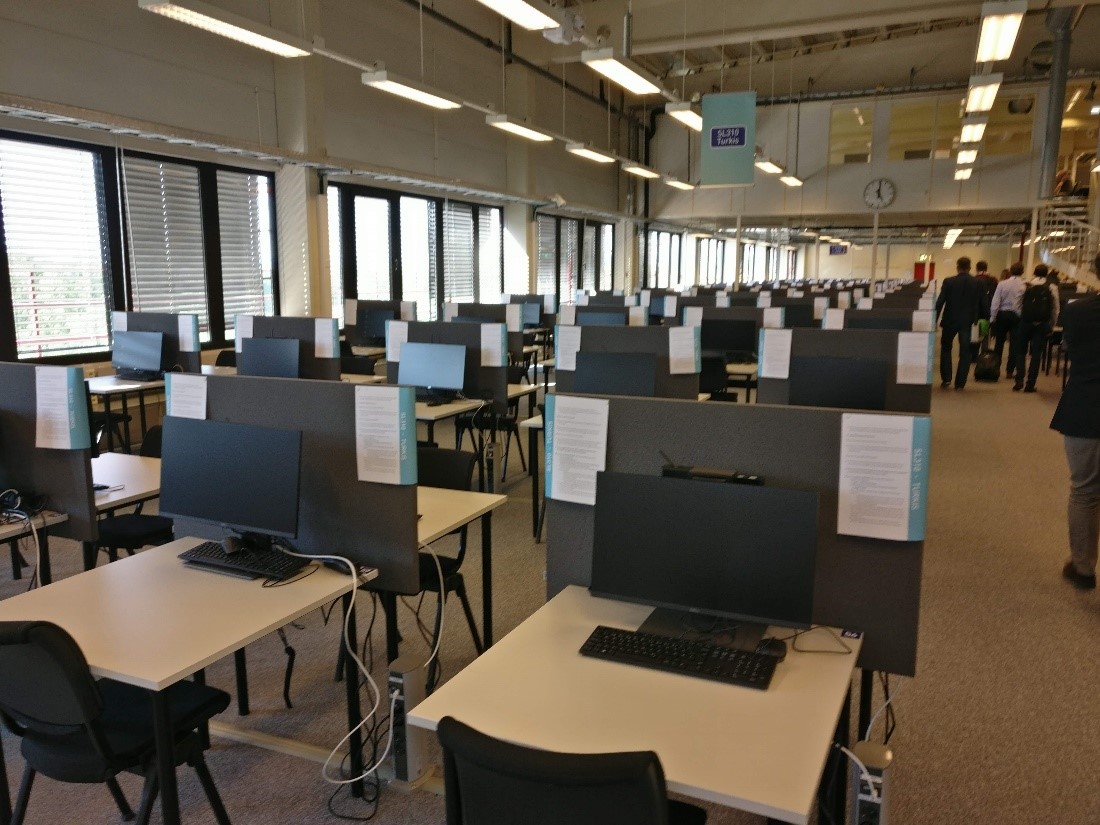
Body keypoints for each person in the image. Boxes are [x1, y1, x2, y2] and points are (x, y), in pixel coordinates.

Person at [1049, 254, 1100, 590]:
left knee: (1084, 491)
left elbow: (1068, 347)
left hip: (1086, 408)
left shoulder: (1078, 310)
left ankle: (1083, 568)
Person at [935, 256, 982, 390]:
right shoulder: (977, 283)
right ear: (970, 268)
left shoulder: (949, 281)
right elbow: (984, 303)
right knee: (965, 352)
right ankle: (960, 383)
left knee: (946, 348)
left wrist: (934, 320)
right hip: (968, 322)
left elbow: (940, 302)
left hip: (950, 320)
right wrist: (984, 322)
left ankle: (946, 379)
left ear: (957, 267)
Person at [1013, 263, 1059, 392]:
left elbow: (1016, 304)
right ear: (1046, 274)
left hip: (1025, 322)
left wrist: (1023, 316)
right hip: (1042, 324)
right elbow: (1055, 308)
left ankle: (1019, 380)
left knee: (1021, 352)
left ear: (1034, 273)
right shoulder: (1052, 287)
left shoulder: (1026, 285)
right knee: (1036, 354)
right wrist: (1052, 324)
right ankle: (1030, 384)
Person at [990, 262, 1026, 379]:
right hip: (1017, 315)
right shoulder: (1024, 285)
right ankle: (1010, 371)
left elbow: (996, 301)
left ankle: (995, 368)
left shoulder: (1002, 284)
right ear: (1022, 272)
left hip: (1002, 314)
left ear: (1010, 271)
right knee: (1014, 344)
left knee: (999, 343)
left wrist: (993, 317)